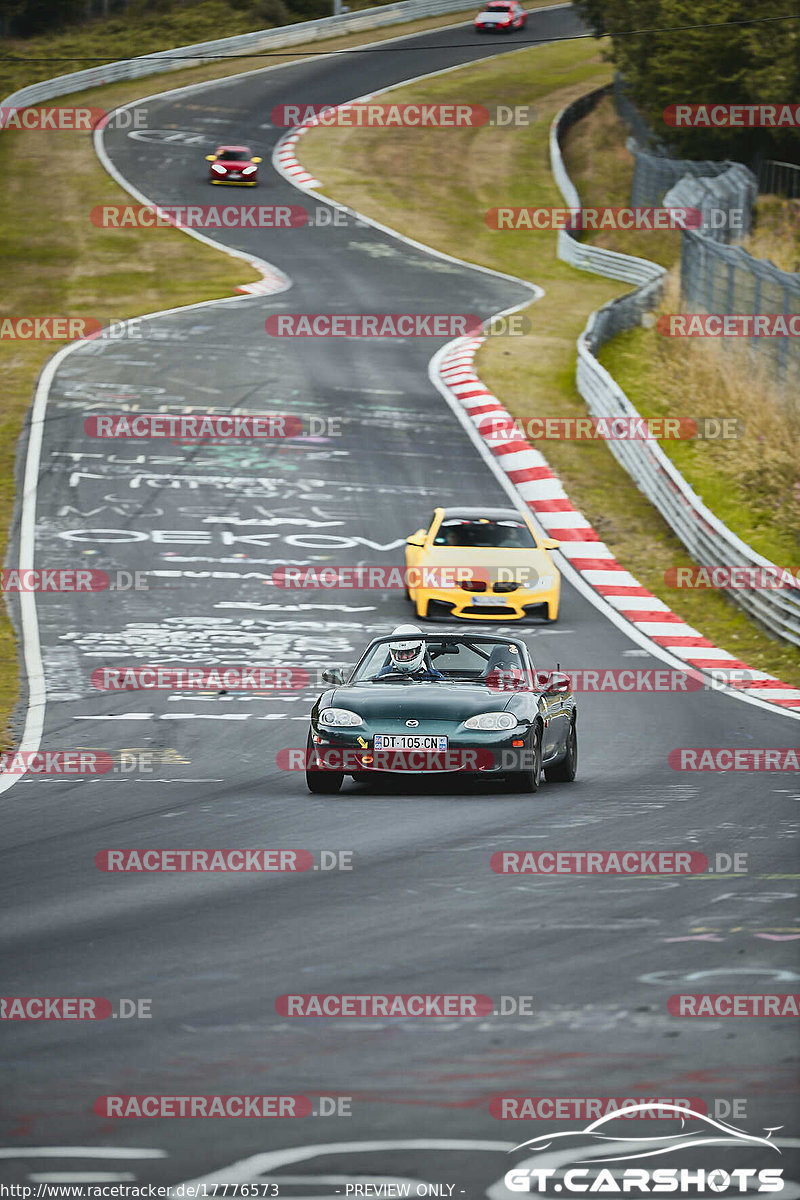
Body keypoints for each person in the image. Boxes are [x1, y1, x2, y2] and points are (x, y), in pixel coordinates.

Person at [377, 625, 445, 680]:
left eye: (408, 653)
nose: (404, 657)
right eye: (400, 653)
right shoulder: (385, 673)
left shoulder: (435, 677)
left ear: (419, 650)